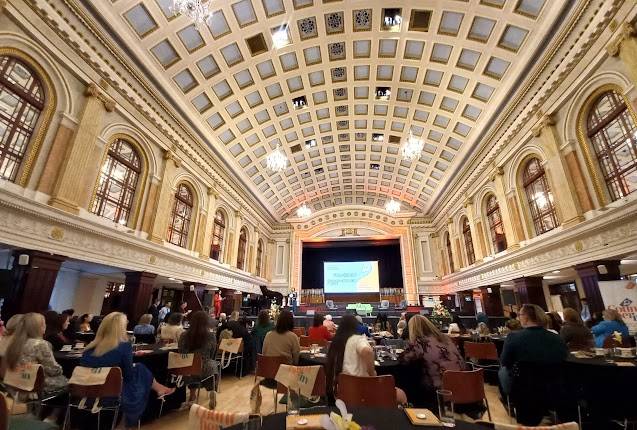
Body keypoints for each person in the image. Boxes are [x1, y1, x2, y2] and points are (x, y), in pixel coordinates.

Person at [81, 312, 174, 429]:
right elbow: (128, 376)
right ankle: (124, 422)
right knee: (140, 369)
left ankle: (159, 388)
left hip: (86, 392)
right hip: (112, 392)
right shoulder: (124, 346)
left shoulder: (88, 349)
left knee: (139, 368)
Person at [326, 315, 407, 405]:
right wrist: (372, 373)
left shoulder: (334, 343)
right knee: (401, 395)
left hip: (340, 393)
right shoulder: (357, 339)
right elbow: (367, 351)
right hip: (363, 392)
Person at [498, 304, 568, 395]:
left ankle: (507, 401)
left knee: (503, 371)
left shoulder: (513, 337)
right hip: (555, 388)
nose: (519, 318)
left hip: (524, 388)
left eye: (520, 315)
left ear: (526, 317)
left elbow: (505, 362)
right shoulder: (557, 338)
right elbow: (564, 357)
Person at [401, 315, 464, 407]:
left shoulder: (419, 343)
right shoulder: (446, 339)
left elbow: (403, 360)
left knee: (407, 379)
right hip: (465, 387)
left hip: (440, 391)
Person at [5, 313, 68, 396]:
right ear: (39, 326)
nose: (46, 326)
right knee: (68, 381)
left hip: (14, 385)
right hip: (34, 387)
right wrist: (61, 369)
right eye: (44, 323)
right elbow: (53, 370)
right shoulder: (41, 344)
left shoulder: (14, 342)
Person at [178, 310, 217, 408]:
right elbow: (212, 353)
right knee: (212, 366)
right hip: (205, 366)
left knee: (191, 370)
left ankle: (192, 395)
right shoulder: (211, 336)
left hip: (186, 368)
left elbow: (181, 351)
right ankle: (212, 390)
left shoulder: (183, 335)